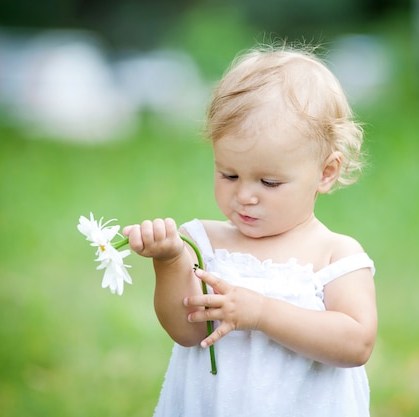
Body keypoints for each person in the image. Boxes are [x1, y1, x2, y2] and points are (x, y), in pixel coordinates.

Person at [123, 44, 377, 417]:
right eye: (229, 174)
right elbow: (188, 332)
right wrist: (169, 260)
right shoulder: (202, 242)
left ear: (326, 172)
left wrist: (261, 312)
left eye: (269, 182)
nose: (244, 196)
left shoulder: (335, 254)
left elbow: (356, 344)